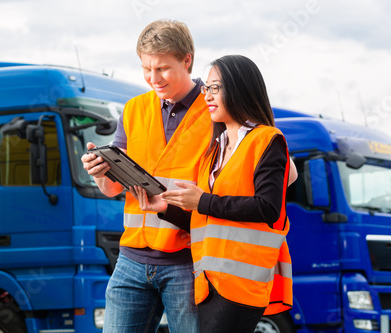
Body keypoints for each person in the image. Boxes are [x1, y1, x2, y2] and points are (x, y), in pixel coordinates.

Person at [132, 55, 293, 332]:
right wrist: (164, 208)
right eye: (206, 88)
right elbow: (204, 221)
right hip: (208, 282)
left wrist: (202, 201)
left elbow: (268, 208)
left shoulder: (267, 140)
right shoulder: (215, 151)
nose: (207, 95)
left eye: (216, 88)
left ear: (240, 88)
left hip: (241, 284)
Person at [81, 19, 211, 333]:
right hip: (132, 260)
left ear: (187, 60)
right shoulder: (133, 110)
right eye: (146, 68)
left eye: (162, 69)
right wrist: (100, 172)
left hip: (188, 257)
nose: (153, 78)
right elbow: (112, 188)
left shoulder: (215, 109)